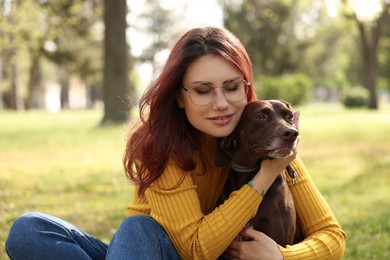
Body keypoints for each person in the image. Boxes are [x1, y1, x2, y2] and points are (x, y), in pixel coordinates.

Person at [6, 26, 346, 260]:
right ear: (180, 97)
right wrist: (263, 178)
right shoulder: (163, 148)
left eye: (231, 87)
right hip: (153, 250)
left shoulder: (266, 142)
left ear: (246, 88)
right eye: (202, 90)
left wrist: (282, 256)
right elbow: (197, 249)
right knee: (30, 230)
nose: (221, 103)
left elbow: (331, 236)